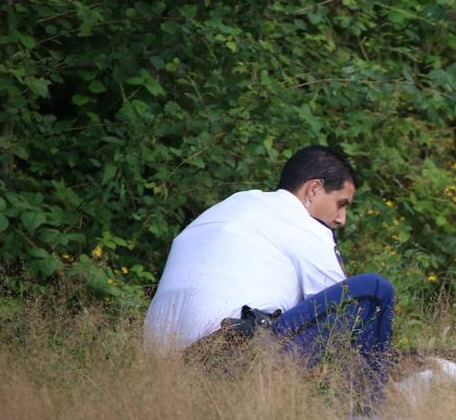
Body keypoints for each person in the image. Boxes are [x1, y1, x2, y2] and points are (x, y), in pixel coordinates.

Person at [144, 145, 395, 396]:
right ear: (314, 189)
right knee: (374, 291)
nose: (341, 218)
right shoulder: (306, 225)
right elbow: (341, 318)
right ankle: (367, 410)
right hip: (229, 358)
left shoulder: (231, 205)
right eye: (341, 204)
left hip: (163, 370)